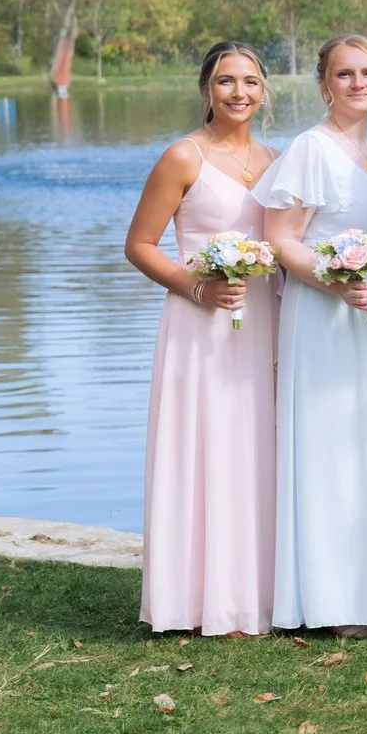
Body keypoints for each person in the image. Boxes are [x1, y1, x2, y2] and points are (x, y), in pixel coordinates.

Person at [123, 40, 281, 636]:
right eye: (225, 81)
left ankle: (251, 597)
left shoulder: (279, 160)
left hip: (261, 317)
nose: (239, 92)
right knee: (203, 448)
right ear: (206, 90)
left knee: (252, 449)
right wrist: (198, 288)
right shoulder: (182, 157)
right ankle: (190, 601)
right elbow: (139, 244)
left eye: (249, 81)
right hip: (199, 323)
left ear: (265, 90)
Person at [256, 33, 367, 634]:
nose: (358, 83)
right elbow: (281, 239)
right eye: (345, 74)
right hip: (324, 314)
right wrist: (333, 281)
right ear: (325, 83)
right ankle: (329, 599)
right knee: (331, 443)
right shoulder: (310, 150)